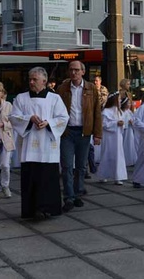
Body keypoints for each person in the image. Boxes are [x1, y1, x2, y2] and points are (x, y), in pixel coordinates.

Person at [9, 67, 69, 219]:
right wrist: (29, 118)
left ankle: (48, 208)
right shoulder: (21, 98)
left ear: (44, 81)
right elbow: (13, 117)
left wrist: (48, 123)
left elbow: (63, 117)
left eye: (34, 79)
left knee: (47, 178)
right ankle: (30, 210)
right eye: (29, 79)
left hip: (48, 145)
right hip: (29, 144)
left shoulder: (54, 98)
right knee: (31, 178)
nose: (31, 82)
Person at [57, 61, 103, 212]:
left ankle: (78, 194)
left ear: (83, 72)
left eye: (77, 70)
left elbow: (97, 112)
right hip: (67, 132)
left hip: (85, 132)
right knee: (67, 166)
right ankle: (69, 197)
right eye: (71, 70)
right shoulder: (62, 88)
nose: (74, 73)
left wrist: (97, 134)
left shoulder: (91, 88)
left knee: (81, 166)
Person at [97, 92, 127, 185]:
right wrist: (116, 124)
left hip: (118, 137)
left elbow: (123, 123)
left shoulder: (119, 111)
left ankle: (118, 176)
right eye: (118, 99)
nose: (120, 101)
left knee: (118, 155)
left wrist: (122, 124)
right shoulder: (106, 112)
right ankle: (104, 175)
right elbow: (104, 125)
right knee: (107, 154)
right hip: (109, 137)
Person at [121, 97, 137, 167]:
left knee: (130, 144)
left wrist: (132, 123)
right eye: (128, 103)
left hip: (129, 131)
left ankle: (130, 159)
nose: (130, 105)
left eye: (130, 103)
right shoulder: (121, 112)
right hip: (124, 131)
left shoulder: (129, 112)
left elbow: (134, 120)